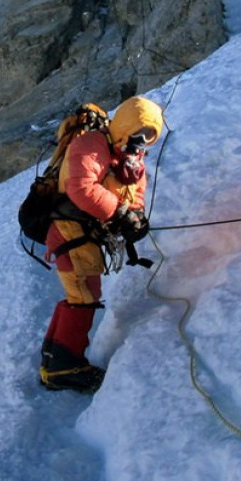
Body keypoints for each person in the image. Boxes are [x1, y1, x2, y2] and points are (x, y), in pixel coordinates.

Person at [40, 96, 165, 393]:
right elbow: (81, 187)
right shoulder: (92, 144)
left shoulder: (128, 155)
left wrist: (134, 216)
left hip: (84, 234)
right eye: (139, 131)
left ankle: (52, 360)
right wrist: (119, 213)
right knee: (83, 294)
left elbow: (134, 190)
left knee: (79, 292)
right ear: (125, 124)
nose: (142, 140)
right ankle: (64, 369)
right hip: (70, 231)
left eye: (149, 135)